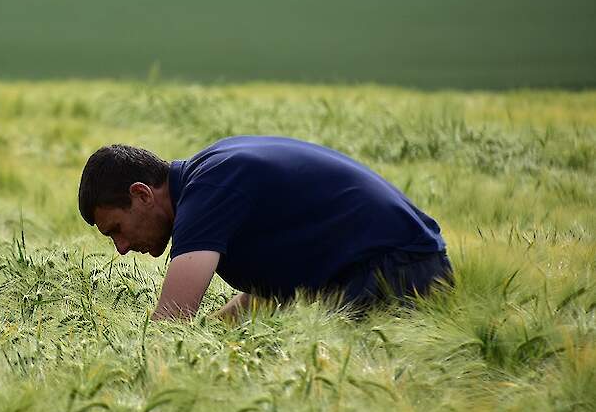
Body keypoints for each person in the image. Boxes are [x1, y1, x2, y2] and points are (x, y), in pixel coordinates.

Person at [77, 136, 453, 321]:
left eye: (117, 230)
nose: (122, 248)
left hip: (398, 271)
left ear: (142, 195)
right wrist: (218, 331)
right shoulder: (210, 177)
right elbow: (276, 289)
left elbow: (172, 319)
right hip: (404, 265)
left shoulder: (207, 191)